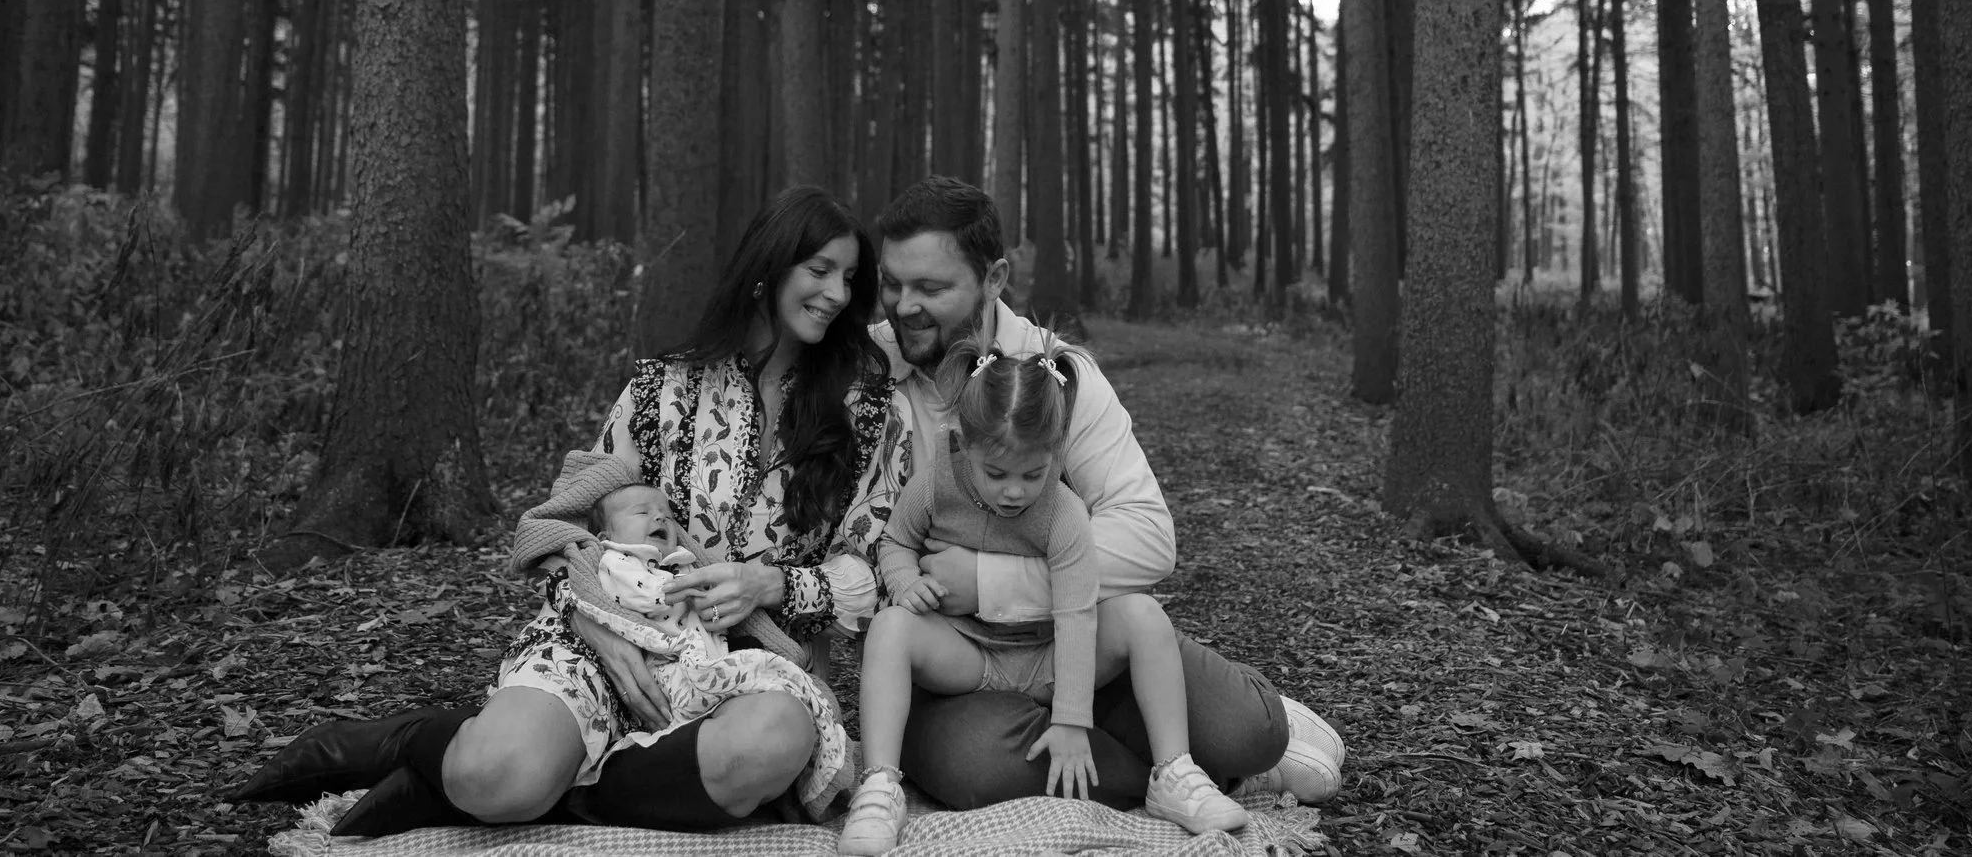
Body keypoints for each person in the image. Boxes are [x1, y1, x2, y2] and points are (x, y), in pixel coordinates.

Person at [233, 185, 904, 837]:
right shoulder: (659, 390)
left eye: (849, 277)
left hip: (740, 675)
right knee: (492, 772)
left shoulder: (862, 407)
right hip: (603, 640)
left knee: (775, 741)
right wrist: (597, 622)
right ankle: (415, 743)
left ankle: (551, 791)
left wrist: (771, 583)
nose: (838, 294)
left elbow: (868, 572)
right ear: (769, 266)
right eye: (820, 270)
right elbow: (560, 528)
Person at [869, 175, 1345, 812]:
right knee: (975, 767)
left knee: (1248, 731)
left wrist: (992, 581)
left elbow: (1150, 536)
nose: (904, 307)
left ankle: (1221, 747)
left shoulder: (1056, 375)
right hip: (954, 665)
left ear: (994, 279)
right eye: (893, 284)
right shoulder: (867, 377)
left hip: (1075, 636)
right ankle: (1194, 777)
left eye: (931, 288)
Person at [838, 346, 1248, 856]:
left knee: (1144, 616)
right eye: (998, 474)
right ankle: (880, 787)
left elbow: (1077, 613)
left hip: (1050, 656)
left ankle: (1173, 773)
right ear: (965, 445)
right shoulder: (937, 482)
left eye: (1034, 474)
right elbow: (895, 541)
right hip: (970, 653)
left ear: (1056, 451)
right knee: (890, 629)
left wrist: (1071, 720)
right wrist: (903, 582)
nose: (1015, 492)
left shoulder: (1063, 511)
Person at [499, 458, 853, 819]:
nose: (661, 518)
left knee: (779, 705)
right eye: (643, 512)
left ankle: (778, 764)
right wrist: (683, 591)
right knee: (505, 766)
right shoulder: (616, 560)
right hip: (644, 659)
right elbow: (631, 590)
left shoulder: (682, 561)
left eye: (667, 514)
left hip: (699, 663)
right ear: (606, 537)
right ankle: (562, 778)